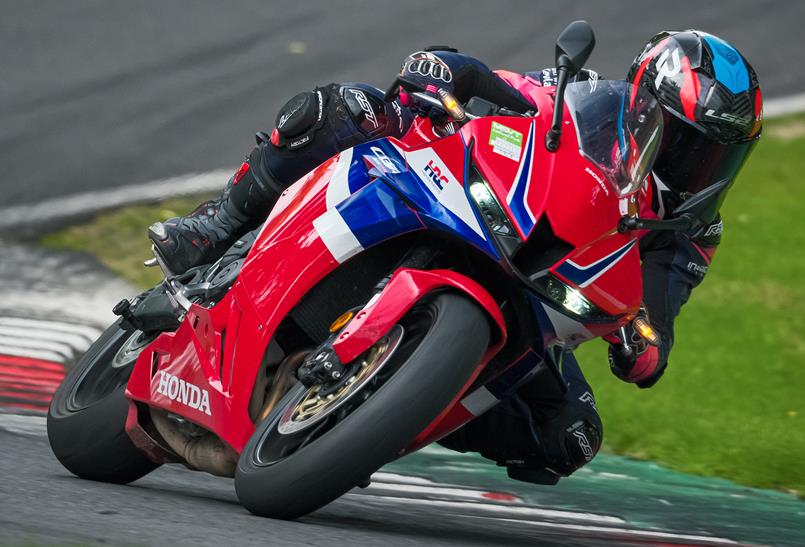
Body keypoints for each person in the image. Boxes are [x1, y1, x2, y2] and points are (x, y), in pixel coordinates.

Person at [148, 30, 762, 484]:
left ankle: (377, 419)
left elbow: (657, 323)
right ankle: (216, 225)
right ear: (644, 102)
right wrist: (440, 76)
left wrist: (641, 347)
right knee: (349, 109)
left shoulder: (690, 231)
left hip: (536, 298)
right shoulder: (582, 100)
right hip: (468, 203)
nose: (697, 165)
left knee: (570, 438)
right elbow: (483, 77)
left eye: (717, 156)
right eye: (687, 142)